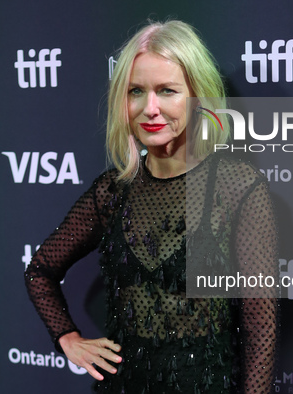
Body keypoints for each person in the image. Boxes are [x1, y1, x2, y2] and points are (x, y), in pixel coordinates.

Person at [25, 20, 278, 394]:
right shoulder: (112, 192)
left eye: (167, 91)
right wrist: (68, 338)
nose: (150, 109)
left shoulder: (237, 188)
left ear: (198, 96)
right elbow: (39, 272)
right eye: (136, 91)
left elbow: (261, 331)